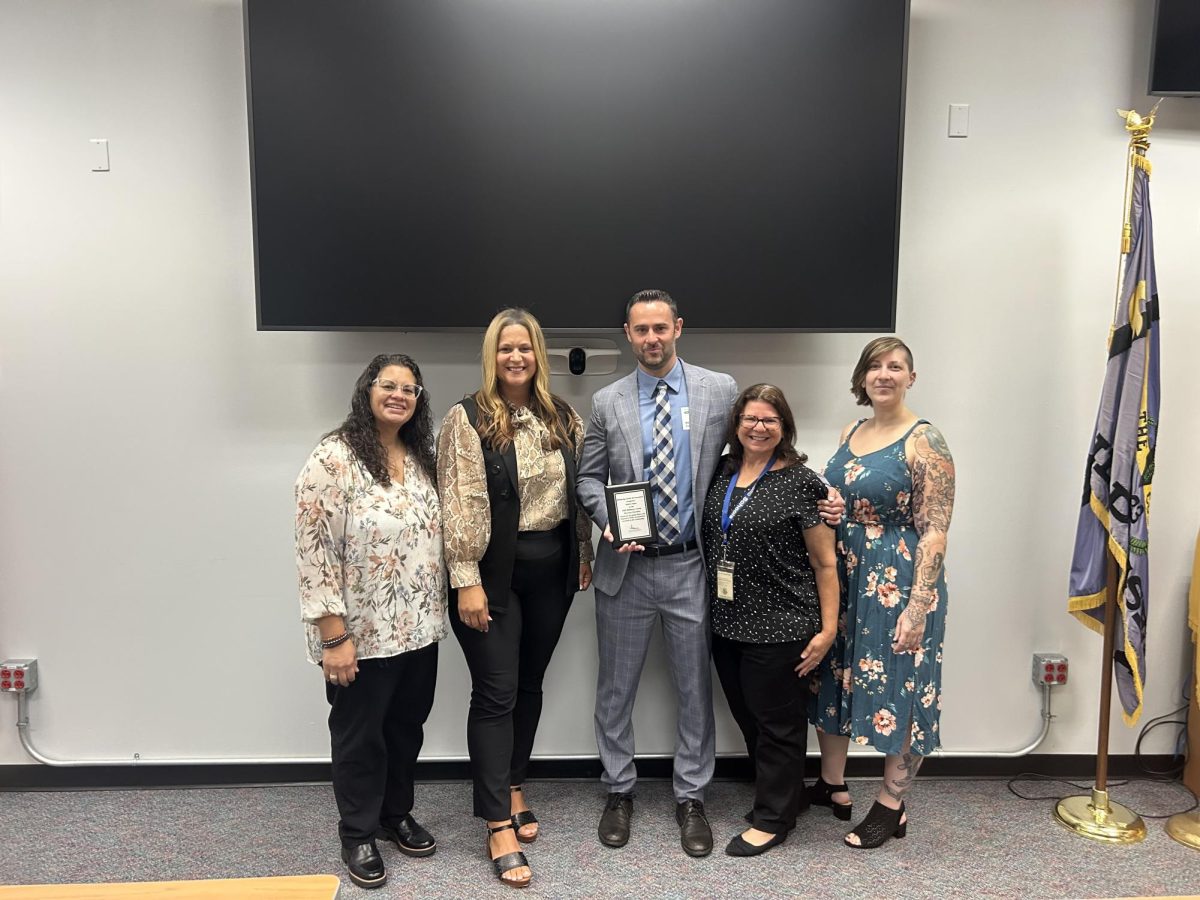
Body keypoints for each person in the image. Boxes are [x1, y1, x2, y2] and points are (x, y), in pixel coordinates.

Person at [437, 308, 593, 889]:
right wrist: (465, 579)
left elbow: (581, 493)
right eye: (505, 349)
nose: (516, 358)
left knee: (529, 684)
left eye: (525, 348)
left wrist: (585, 553)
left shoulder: (562, 416)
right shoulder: (466, 418)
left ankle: (514, 783)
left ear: (539, 354)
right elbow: (458, 503)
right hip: (491, 575)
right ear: (491, 355)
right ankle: (496, 820)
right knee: (496, 692)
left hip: (553, 571)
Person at [294, 353, 446, 890]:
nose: (400, 395)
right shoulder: (333, 458)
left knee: (406, 729)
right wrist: (333, 637)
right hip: (360, 636)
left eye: (411, 389)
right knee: (360, 737)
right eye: (390, 385)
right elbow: (314, 552)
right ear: (368, 390)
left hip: (420, 629)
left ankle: (393, 813)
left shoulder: (421, 457)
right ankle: (357, 832)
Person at [810, 336, 955, 849]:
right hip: (844, 577)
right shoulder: (854, 429)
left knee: (901, 686)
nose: (885, 374)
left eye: (896, 366)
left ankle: (892, 806)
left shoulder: (924, 440)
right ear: (862, 377)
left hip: (896, 583)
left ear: (910, 378)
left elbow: (935, 528)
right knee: (836, 678)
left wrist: (917, 608)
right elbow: (845, 501)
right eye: (875, 366)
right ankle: (831, 784)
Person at [700, 384, 839, 857]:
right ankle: (787, 796)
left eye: (770, 421)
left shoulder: (803, 482)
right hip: (726, 625)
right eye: (751, 419)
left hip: (781, 627)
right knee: (750, 719)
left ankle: (773, 819)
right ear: (737, 425)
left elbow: (825, 563)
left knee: (778, 724)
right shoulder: (723, 473)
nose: (759, 428)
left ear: (784, 428)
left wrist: (827, 629)